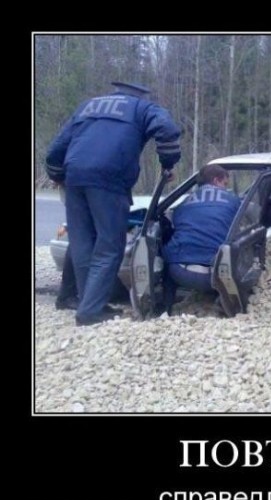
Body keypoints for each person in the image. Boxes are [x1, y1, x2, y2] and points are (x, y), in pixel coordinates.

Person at [45, 81, 181, 326]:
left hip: (74, 178)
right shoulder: (142, 107)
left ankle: (89, 303)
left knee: (82, 244)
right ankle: (90, 311)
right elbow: (167, 128)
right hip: (109, 179)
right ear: (141, 95)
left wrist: (57, 174)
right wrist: (168, 162)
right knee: (109, 246)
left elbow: (57, 147)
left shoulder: (88, 107)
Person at [161, 164, 241, 315]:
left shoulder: (182, 204)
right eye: (225, 184)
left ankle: (166, 309)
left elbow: (174, 227)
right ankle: (228, 305)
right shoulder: (234, 201)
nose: (226, 188)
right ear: (216, 180)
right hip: (216, 276)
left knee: (167, 255)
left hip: (180, 273)